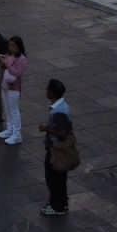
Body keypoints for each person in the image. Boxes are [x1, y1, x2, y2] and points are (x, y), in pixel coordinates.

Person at [39, 79, 76, 216]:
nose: (45, 91)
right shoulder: (60, 106)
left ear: (52, 93)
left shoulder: (59, 111)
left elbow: (62, 132)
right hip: (56, 148)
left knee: (54, 178)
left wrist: (46, 128)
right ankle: (60, 203)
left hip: (57, 150)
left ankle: (58, 206)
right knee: (58, 178)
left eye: (47, 89)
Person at [0, 36, 28, 145]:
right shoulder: (9, 55)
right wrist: (2, 59)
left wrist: (6, 64)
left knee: (14, 110)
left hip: (14, 88)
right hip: (5, 86)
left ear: (19, 47)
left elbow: (17, 73)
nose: (11, 47)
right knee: (7, 109)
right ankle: (9, 129)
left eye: (13, 45)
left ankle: (17, 134)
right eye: (10, 45)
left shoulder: (22, 59)